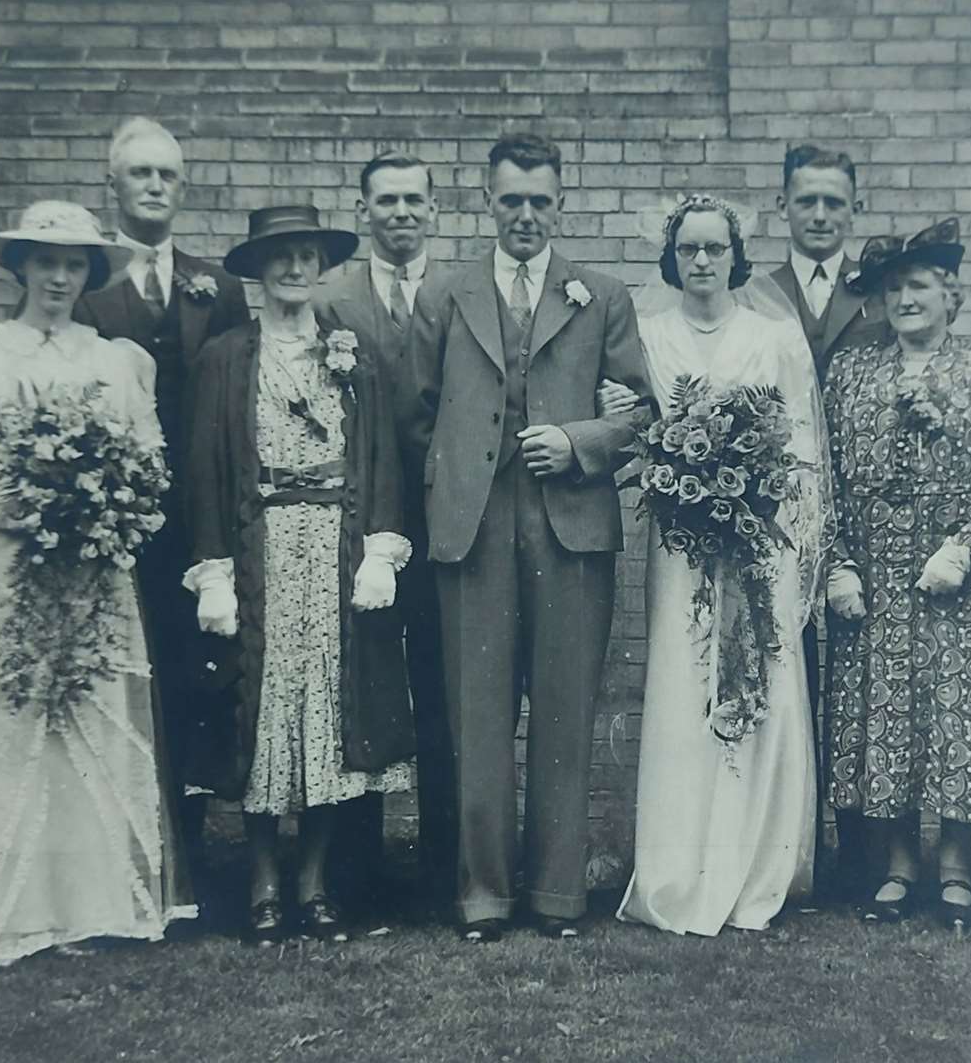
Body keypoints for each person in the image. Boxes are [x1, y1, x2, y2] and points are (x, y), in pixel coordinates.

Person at [0, 200, 195, 963]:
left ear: (89, 273)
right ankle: (3, 908)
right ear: (20, 266)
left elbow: (151, 461)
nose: (59, 276)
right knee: (6, 713)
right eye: (46, 261)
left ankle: (88, 906)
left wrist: (104, 500)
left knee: (88, 718)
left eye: (74, 264)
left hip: (91, 566)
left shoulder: (114, 360)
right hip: (5, 564)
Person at [404, 133, 653, 942]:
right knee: (476, 714)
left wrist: (578, 442)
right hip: (473, 528)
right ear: (488, 199)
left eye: (540, 201)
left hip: (569, 526)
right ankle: (483, 895)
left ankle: (554, 895)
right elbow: (417, 412)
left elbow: (641, 412)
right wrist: (460, 477)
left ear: (560, 203)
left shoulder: (602, 295)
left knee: (563, 712)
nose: (525, 216)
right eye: (510, 199)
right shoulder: (447, 294)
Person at [185, 206, 415, 944]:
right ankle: (262, 882)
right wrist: (215, 571)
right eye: (279, 257)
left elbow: (380, 458)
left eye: (306, 255)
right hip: (263, 553)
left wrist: (380, 550)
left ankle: (313, 885)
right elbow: (207, 472)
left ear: (322, 267)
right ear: (257, 269)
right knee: (264, 709)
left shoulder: (354, 357)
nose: (293, 269)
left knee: (326, 713)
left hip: (335, 551)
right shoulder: (226, 357)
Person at [616, 195, 830, 935]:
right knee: (684, 683)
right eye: (688, 250)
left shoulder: (774, 338)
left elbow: (803, 452)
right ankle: (680, 869)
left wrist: (777, 528)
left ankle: (755, 866)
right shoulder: (647, 337)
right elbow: (634, 428)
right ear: (670, 260)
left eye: (714, 249)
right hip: (681, 549)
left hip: (759, 541)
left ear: (736, 256)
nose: (701, 262)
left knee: (759, 678)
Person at [824, 218, 971, 931]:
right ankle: (896, 865)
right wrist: (838, 563)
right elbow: (822, 475)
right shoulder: (852, 372)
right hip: (875, 570)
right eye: (893, 290)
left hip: (956, 574)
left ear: (951, 294)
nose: (905, 300)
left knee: (954, 711)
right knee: (884, 712)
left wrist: (967, 545)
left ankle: (956, 867)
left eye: (919, 286)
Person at [73, 117, 250, 852]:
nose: (154, 185)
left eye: (166, 175)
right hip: (121, 527)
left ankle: (194, 852)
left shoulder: (221, 288)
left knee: (202, 679)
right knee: (127, 674)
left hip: (203, 525)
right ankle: (128, 846)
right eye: (140, 173)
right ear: (113, 186)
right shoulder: (86, 289)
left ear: (183, 187)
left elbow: (238, 405)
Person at [315, 151, 455, 917]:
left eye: (414, 200)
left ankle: (444, 872)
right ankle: (355, 874)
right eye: (385, 201)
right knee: (360, 687)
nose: (400, 213)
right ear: (364, 211)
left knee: (442, 689)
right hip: (359, 522)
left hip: (445, 525)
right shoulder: (332, 299)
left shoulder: (460, 293)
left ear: (434, 210)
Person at [771, 145, 888, 905]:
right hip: (775, 515)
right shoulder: (757, 291)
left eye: (833, 204)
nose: (819, 216)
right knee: (786, 679)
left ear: (852, 210)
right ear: (784, 204)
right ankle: (790, 846)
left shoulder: (877, 296)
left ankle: (865, 856)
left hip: (864, 519)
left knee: (860, 683)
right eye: (807, 201)